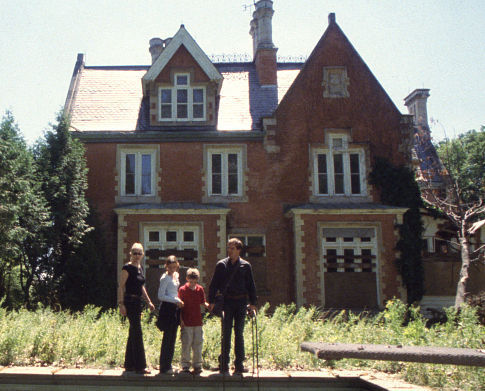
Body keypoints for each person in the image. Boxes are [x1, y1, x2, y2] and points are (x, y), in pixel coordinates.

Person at [208, 238, 257, 375]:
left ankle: (239, 364)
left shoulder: (246, 266)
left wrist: (253, 304)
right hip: (227, 303)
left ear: (239, 250)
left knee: (239, 333)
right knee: (226, 333)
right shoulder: (221, 265)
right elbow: (214, 284)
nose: (229, 250)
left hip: (241, 302)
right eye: (228, 248)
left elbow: (251, 286)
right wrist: (211, 301)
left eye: (232, 248)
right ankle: (224, 363)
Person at [118, 242, 155, 375]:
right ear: (131, 253)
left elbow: (141, 287)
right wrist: (121, 304)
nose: (137, 255)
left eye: (139, 253)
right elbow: (121, 286)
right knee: (137, 332)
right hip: (129, 302)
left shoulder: (140, 268)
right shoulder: (126, 268)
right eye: (135, 253)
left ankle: (129, 364)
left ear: (142, 255)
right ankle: (140, 366)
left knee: (133, 332)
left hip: (138, 302)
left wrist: (149, 301)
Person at [178, 268, 209, 375]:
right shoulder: (182, 290)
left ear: (197, 280)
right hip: (186, 322)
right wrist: (181, 320)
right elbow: (180, 307)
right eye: (191, 282)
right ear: (187, 279)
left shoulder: (200, 289)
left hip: (197, 321)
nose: (192, 284)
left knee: (198, 343)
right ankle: (185, 364)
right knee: (186, 343)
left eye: (195, 282)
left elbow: (203, 303)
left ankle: (197, 364)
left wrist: (211, 306)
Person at [157, 255, 184, 375]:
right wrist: (176, 300)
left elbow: (174, 292)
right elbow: (161, 296)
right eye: (170, 267)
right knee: (167, 337)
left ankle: (168, 363)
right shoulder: (165, 278)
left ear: (177, 265)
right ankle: (164, 366)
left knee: (173, 337)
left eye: (174, 267)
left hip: (175, 308)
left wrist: (178, 301)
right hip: (167, 309)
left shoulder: (176, 276)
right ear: (166, 266)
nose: (172, 269)